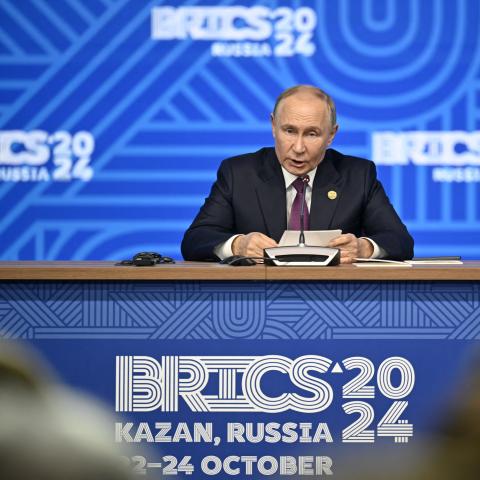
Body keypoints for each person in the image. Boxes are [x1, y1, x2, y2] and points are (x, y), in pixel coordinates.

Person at [181, 85, 413, 262]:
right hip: (257, 296)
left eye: (312, 134)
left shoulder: (358, 175)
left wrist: (364, 248)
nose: (299, 147)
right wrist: (238, 246)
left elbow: (400, 242)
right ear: (273, 126)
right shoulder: (239, 174)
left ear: (331, 135)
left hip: (336, 300)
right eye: (289, 131)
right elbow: (195, 240)